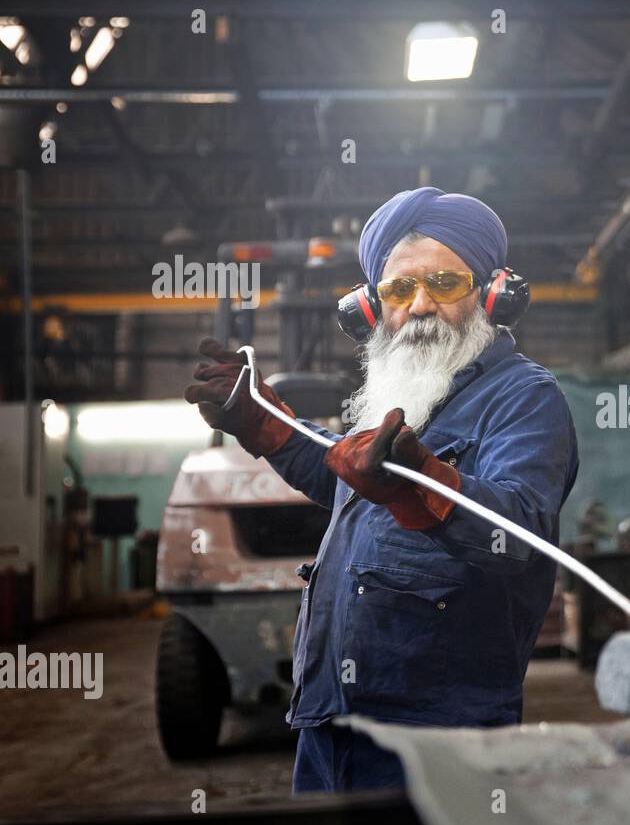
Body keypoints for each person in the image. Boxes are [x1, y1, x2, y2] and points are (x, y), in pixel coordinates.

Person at [186, 187, 578, 792]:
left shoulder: (525, 396)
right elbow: (346, 480)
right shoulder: (403, 393)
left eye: (445, 284)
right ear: (371, 308)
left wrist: (419, 487)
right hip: (328, 714)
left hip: (440, 729)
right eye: (399, 290)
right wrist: (263, 420)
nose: (419, 306)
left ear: (491, 294)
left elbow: (520, 533)